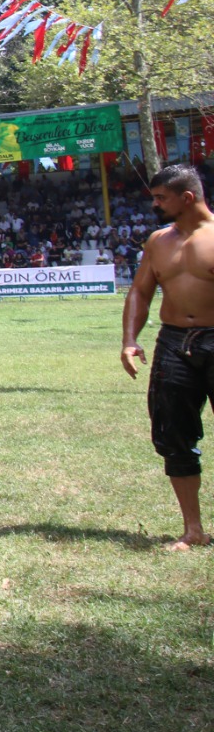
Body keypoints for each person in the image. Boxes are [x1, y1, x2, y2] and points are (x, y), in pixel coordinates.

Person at [121, 164, 214, 550]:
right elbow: (141, 292)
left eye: (161, 198)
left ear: (187, 198)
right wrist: (129, 339)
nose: (155, 205)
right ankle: (193, 529)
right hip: (174, 343)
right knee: (173, 435)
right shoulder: (158, 241)